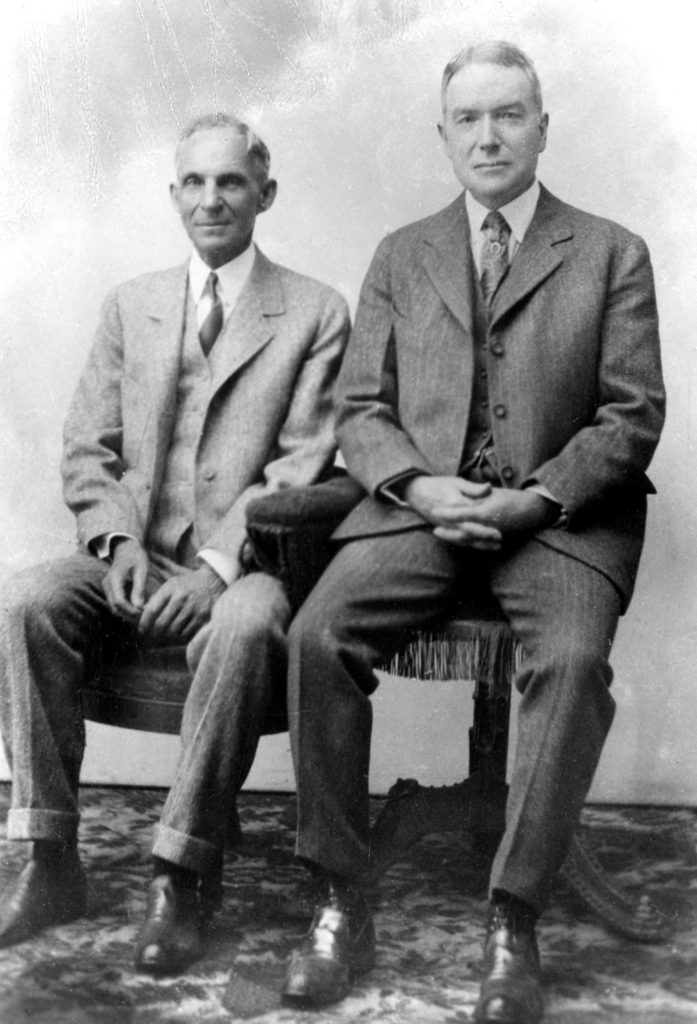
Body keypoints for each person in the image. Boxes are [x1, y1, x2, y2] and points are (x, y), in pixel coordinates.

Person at [282, 42, 665, 1022]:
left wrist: (533, 498)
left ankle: (513, 914)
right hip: (425, 510)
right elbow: (360, 410)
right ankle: (336, 892)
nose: (488, 135)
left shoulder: (610, 251)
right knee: (317, 636)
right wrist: (418, 485)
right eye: (468, 119)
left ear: (543, 126)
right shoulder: (399, 254)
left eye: (508, 115)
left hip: (561, 520)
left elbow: (629, 417)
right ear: (442, 133)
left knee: (573, 663)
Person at [0, 113, 349, 974]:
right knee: (22, 602)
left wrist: (217, 567)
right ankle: (49, 858)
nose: (211, 199)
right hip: (136, 554)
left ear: (264, 194)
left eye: (230, 182)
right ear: (172, 195)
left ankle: (178, 873)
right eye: (193, 182)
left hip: (254, 563)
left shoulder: (314, 310)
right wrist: (115, 541)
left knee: (239, 624)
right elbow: (90, 444)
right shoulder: (133, 303)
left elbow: (302, 466)